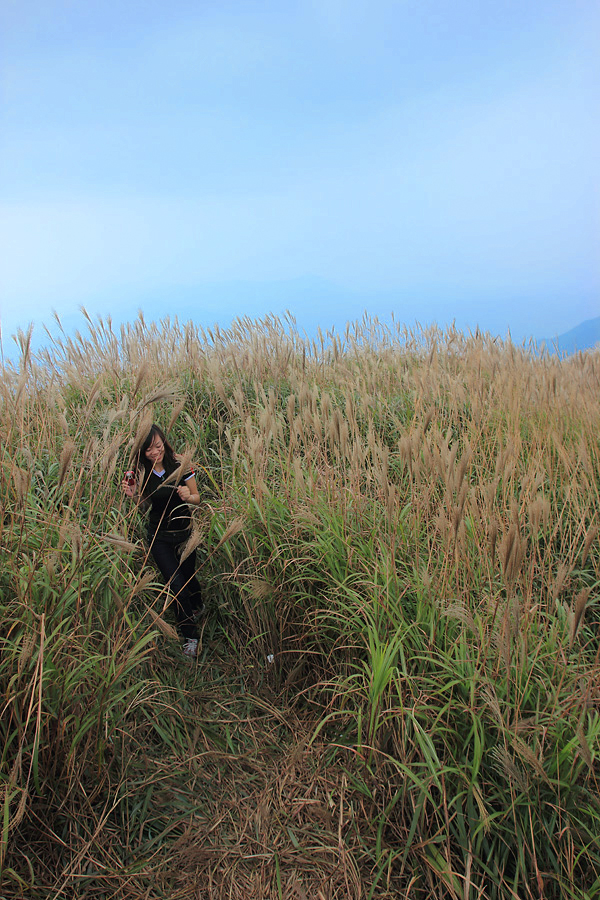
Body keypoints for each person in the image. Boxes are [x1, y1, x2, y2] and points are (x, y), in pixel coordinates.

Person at [123, 424, 204, 658]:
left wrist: (189, 496)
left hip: (185, 533)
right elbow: (144, 506)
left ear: (164, 442)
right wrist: (134, 496)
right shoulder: (141, 471)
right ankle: (190, 636)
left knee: (188, 580)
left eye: (157, 446)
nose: (154, 452)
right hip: (159, 537)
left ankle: (197, 605)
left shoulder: (180, 463)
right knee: (176, 584)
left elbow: (197, 498)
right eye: (148, 449)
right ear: (142, 451)